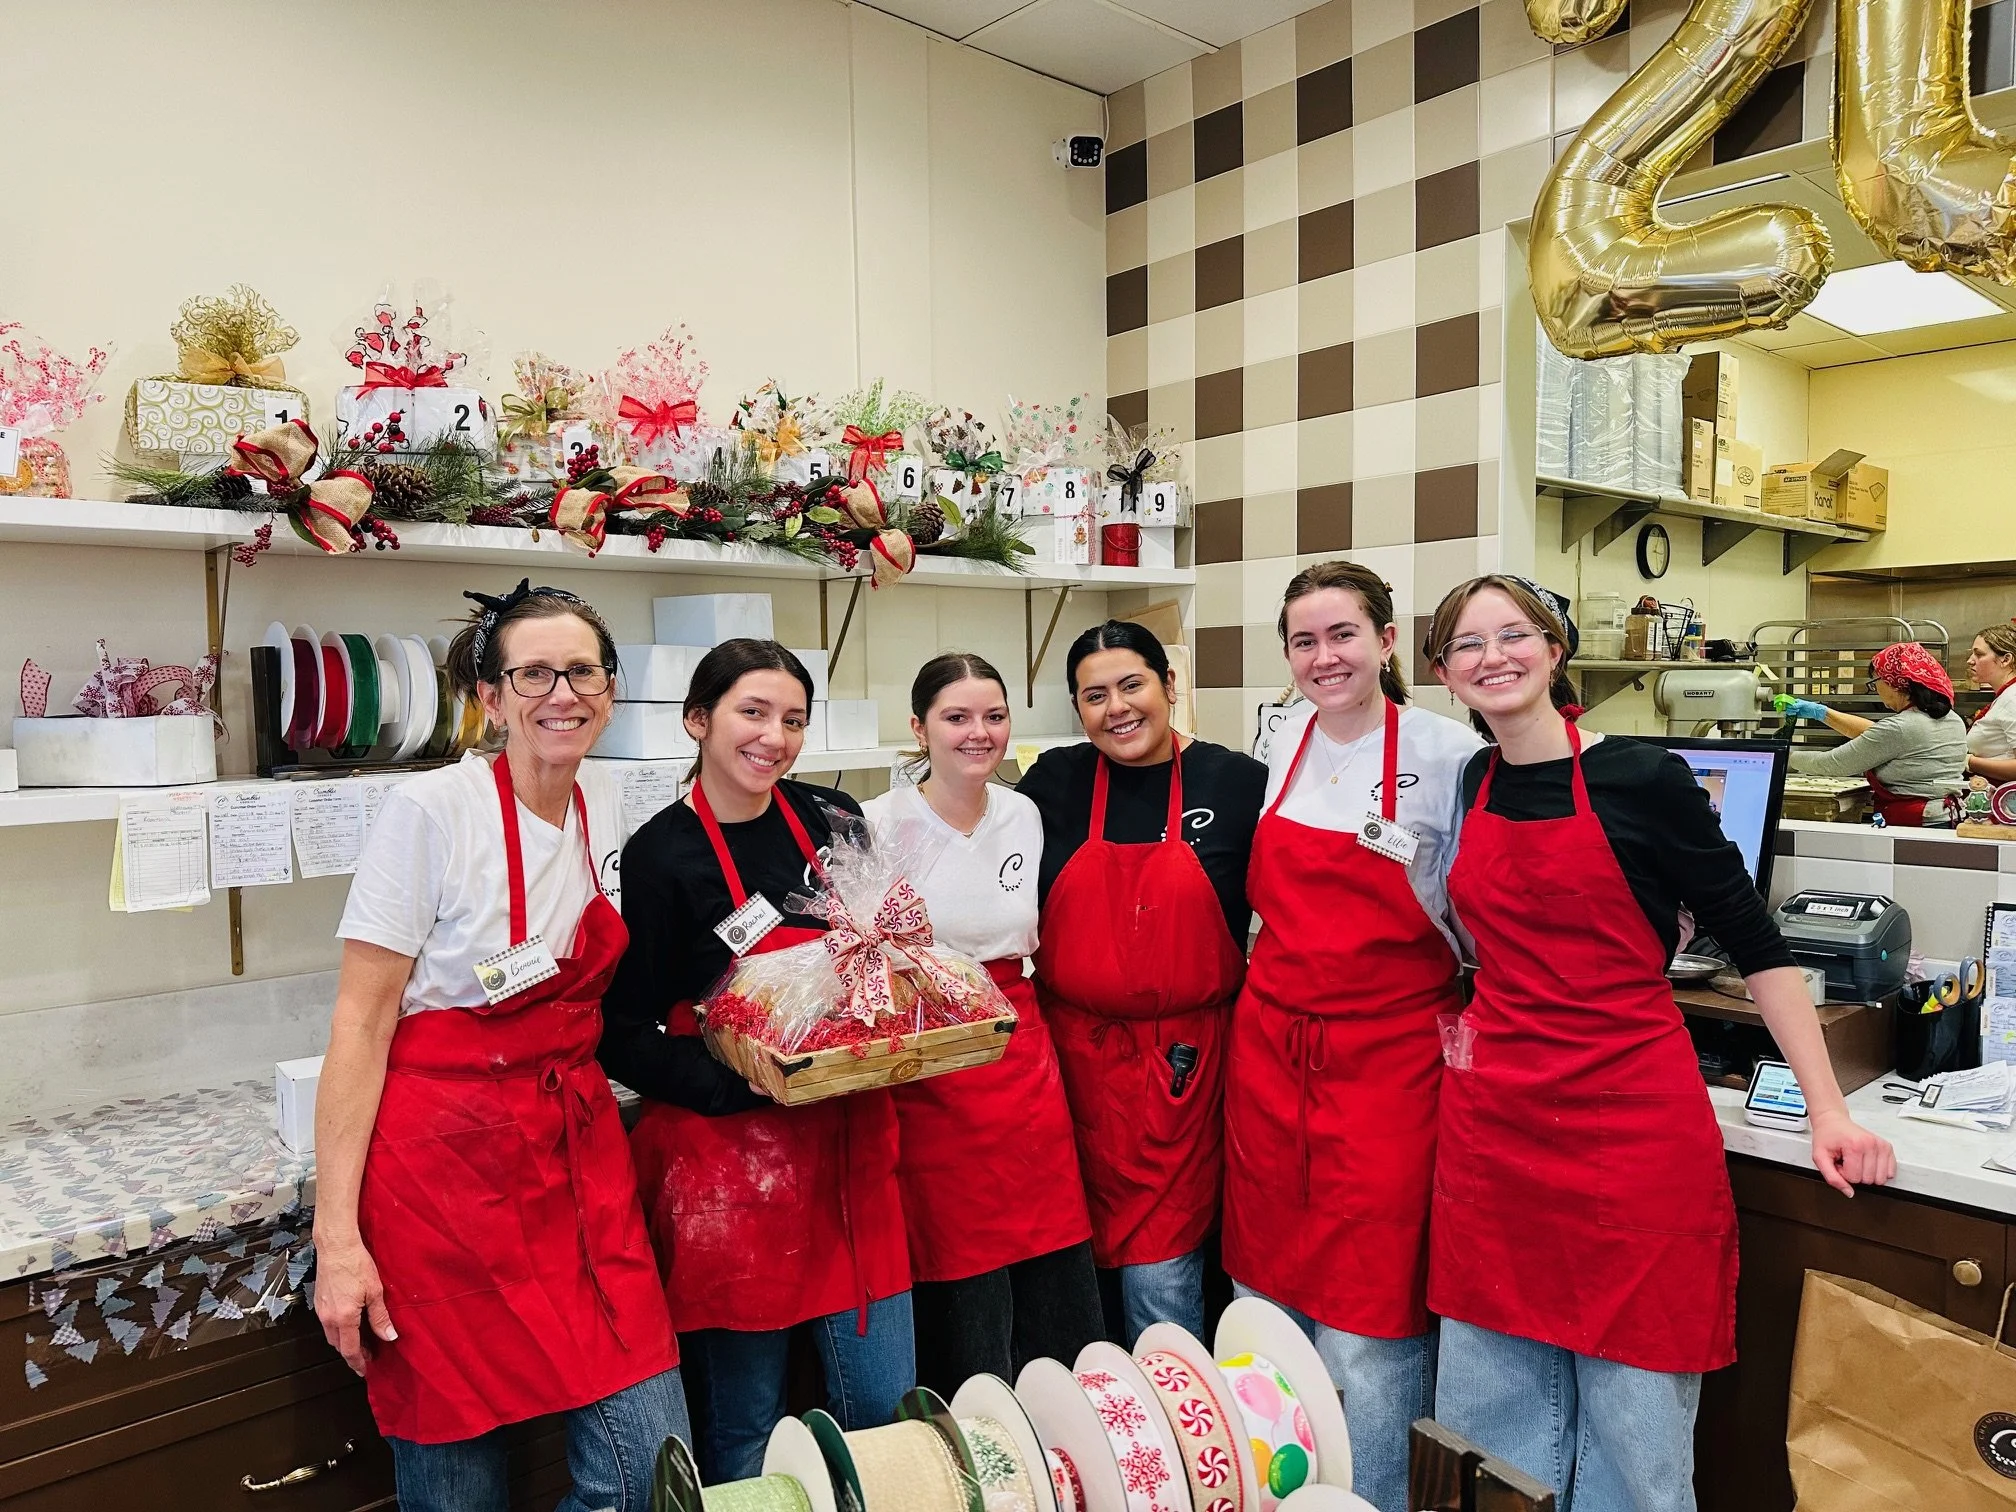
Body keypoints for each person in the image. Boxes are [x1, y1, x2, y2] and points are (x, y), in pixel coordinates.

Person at [1423, 574, 1896, 1511]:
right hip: (1495, 1129)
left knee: (1636, 1434)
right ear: (1445, 674)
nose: (1493, 657)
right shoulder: (1475, 782)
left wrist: (1827, 1108)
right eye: (1467, 645)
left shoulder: (1641, 775)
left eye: (1513, 634)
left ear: (1556, 651)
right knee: (1489, 1420)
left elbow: (1755, 941)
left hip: (1627, 1125)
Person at [315, 580, 686, 1512]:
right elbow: (360, 1027)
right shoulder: (430, 812)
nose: (562, 693)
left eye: (583, 671)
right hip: (444, 1180)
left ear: (609, 689)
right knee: (457, 1481)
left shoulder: (607, 795)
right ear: (490, 698)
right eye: (533, 674)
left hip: (574, 1154)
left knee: (649, 1472)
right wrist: (338, 1244)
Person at [598, 639, 912, 1482]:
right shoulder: (663, 854)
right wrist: (752, 1090)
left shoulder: (833, 821)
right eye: (753, 712)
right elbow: (621, 1030)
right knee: (746, 1429)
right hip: (732, 1173)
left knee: (884, 1412)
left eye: (794, 719)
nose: (775, 736)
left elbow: (882, 956)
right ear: (698, 720)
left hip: (851, 1144)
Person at [1223, 562, 1483, 1512]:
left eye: (1342, 635)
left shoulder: (1450, 752)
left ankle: (1369, 1498)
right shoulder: (1278, 740)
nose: (1324, 657)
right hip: (1271, 1053)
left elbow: (1478, 911)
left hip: (1388, 1065)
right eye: (1303, 641)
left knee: (1372, 1325)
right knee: (1263, 1303)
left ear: (1384, 639)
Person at [1017, 620, 1266, 1344]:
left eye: (1132, 685)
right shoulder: (1053, 784)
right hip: (1071, 1066)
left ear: (1168, 686)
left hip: (1184, 1069)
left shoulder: (1237, 782)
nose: (1117, 708)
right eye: (1094, 695)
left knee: (1164, 1270)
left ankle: (1177, 1432)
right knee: (1074, 1266)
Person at [861, 653, 1103, 1392]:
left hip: (1021, 1054)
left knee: (1050, 1255)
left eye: (994, 716)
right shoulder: (875, 823)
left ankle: (1065, 1427)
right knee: (959, 1265)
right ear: (919, 728)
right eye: (957, 718)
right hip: (929, 1060)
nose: (979, 733)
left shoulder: (1022, 812)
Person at [1779, 640, 1970, 826]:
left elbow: (1833, 764)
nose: (1875, 689)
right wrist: (1821, 712)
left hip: (1917, 823)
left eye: (1875, 681)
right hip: (1948, 818)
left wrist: (1782, 756)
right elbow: (1878, 736)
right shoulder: (1951, 719)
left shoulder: (1900, 728)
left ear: (1894, 683)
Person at [1966, 622, 2016, 782]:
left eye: (1979, 654)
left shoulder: (2012, 699)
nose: (1970, 661)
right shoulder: (2005, 696)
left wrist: (1969, 762)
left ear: (2006, 659)